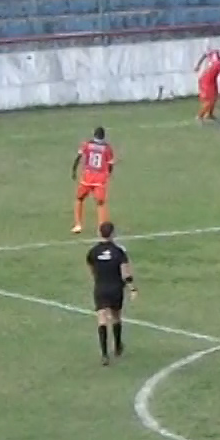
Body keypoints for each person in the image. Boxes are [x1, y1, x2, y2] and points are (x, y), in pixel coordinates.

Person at [85, 222, 136, 365]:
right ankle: (118, 345)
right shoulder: (118, 251)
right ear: (113, 234)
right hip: (115, 288)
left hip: (101, 288)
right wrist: (132, 288)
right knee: (116, 317)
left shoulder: (93, 252)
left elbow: (91, 268)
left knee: (101, 319)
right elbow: (125, 273)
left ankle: (104, 354)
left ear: (99, 233)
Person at [69, 126, 116, 235]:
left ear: (94, 135)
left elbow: (79, 157)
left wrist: (74, 170)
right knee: (100, 203)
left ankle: (78, 225)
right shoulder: (107, 148)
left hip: (87, 176)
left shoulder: (87, 144)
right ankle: (101, 227)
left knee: (79, 199)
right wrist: (109, 174)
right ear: (103, 136)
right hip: (100, 178)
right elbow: (110, 164)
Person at [194, 44, 220, 123]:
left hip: (212, 81)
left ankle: (210, 115)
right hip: (205, 80)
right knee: (209, 100)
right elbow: (204, 55)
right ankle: (199, 116)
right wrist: (198, 65)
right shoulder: (214, 53)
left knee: (215, 98)